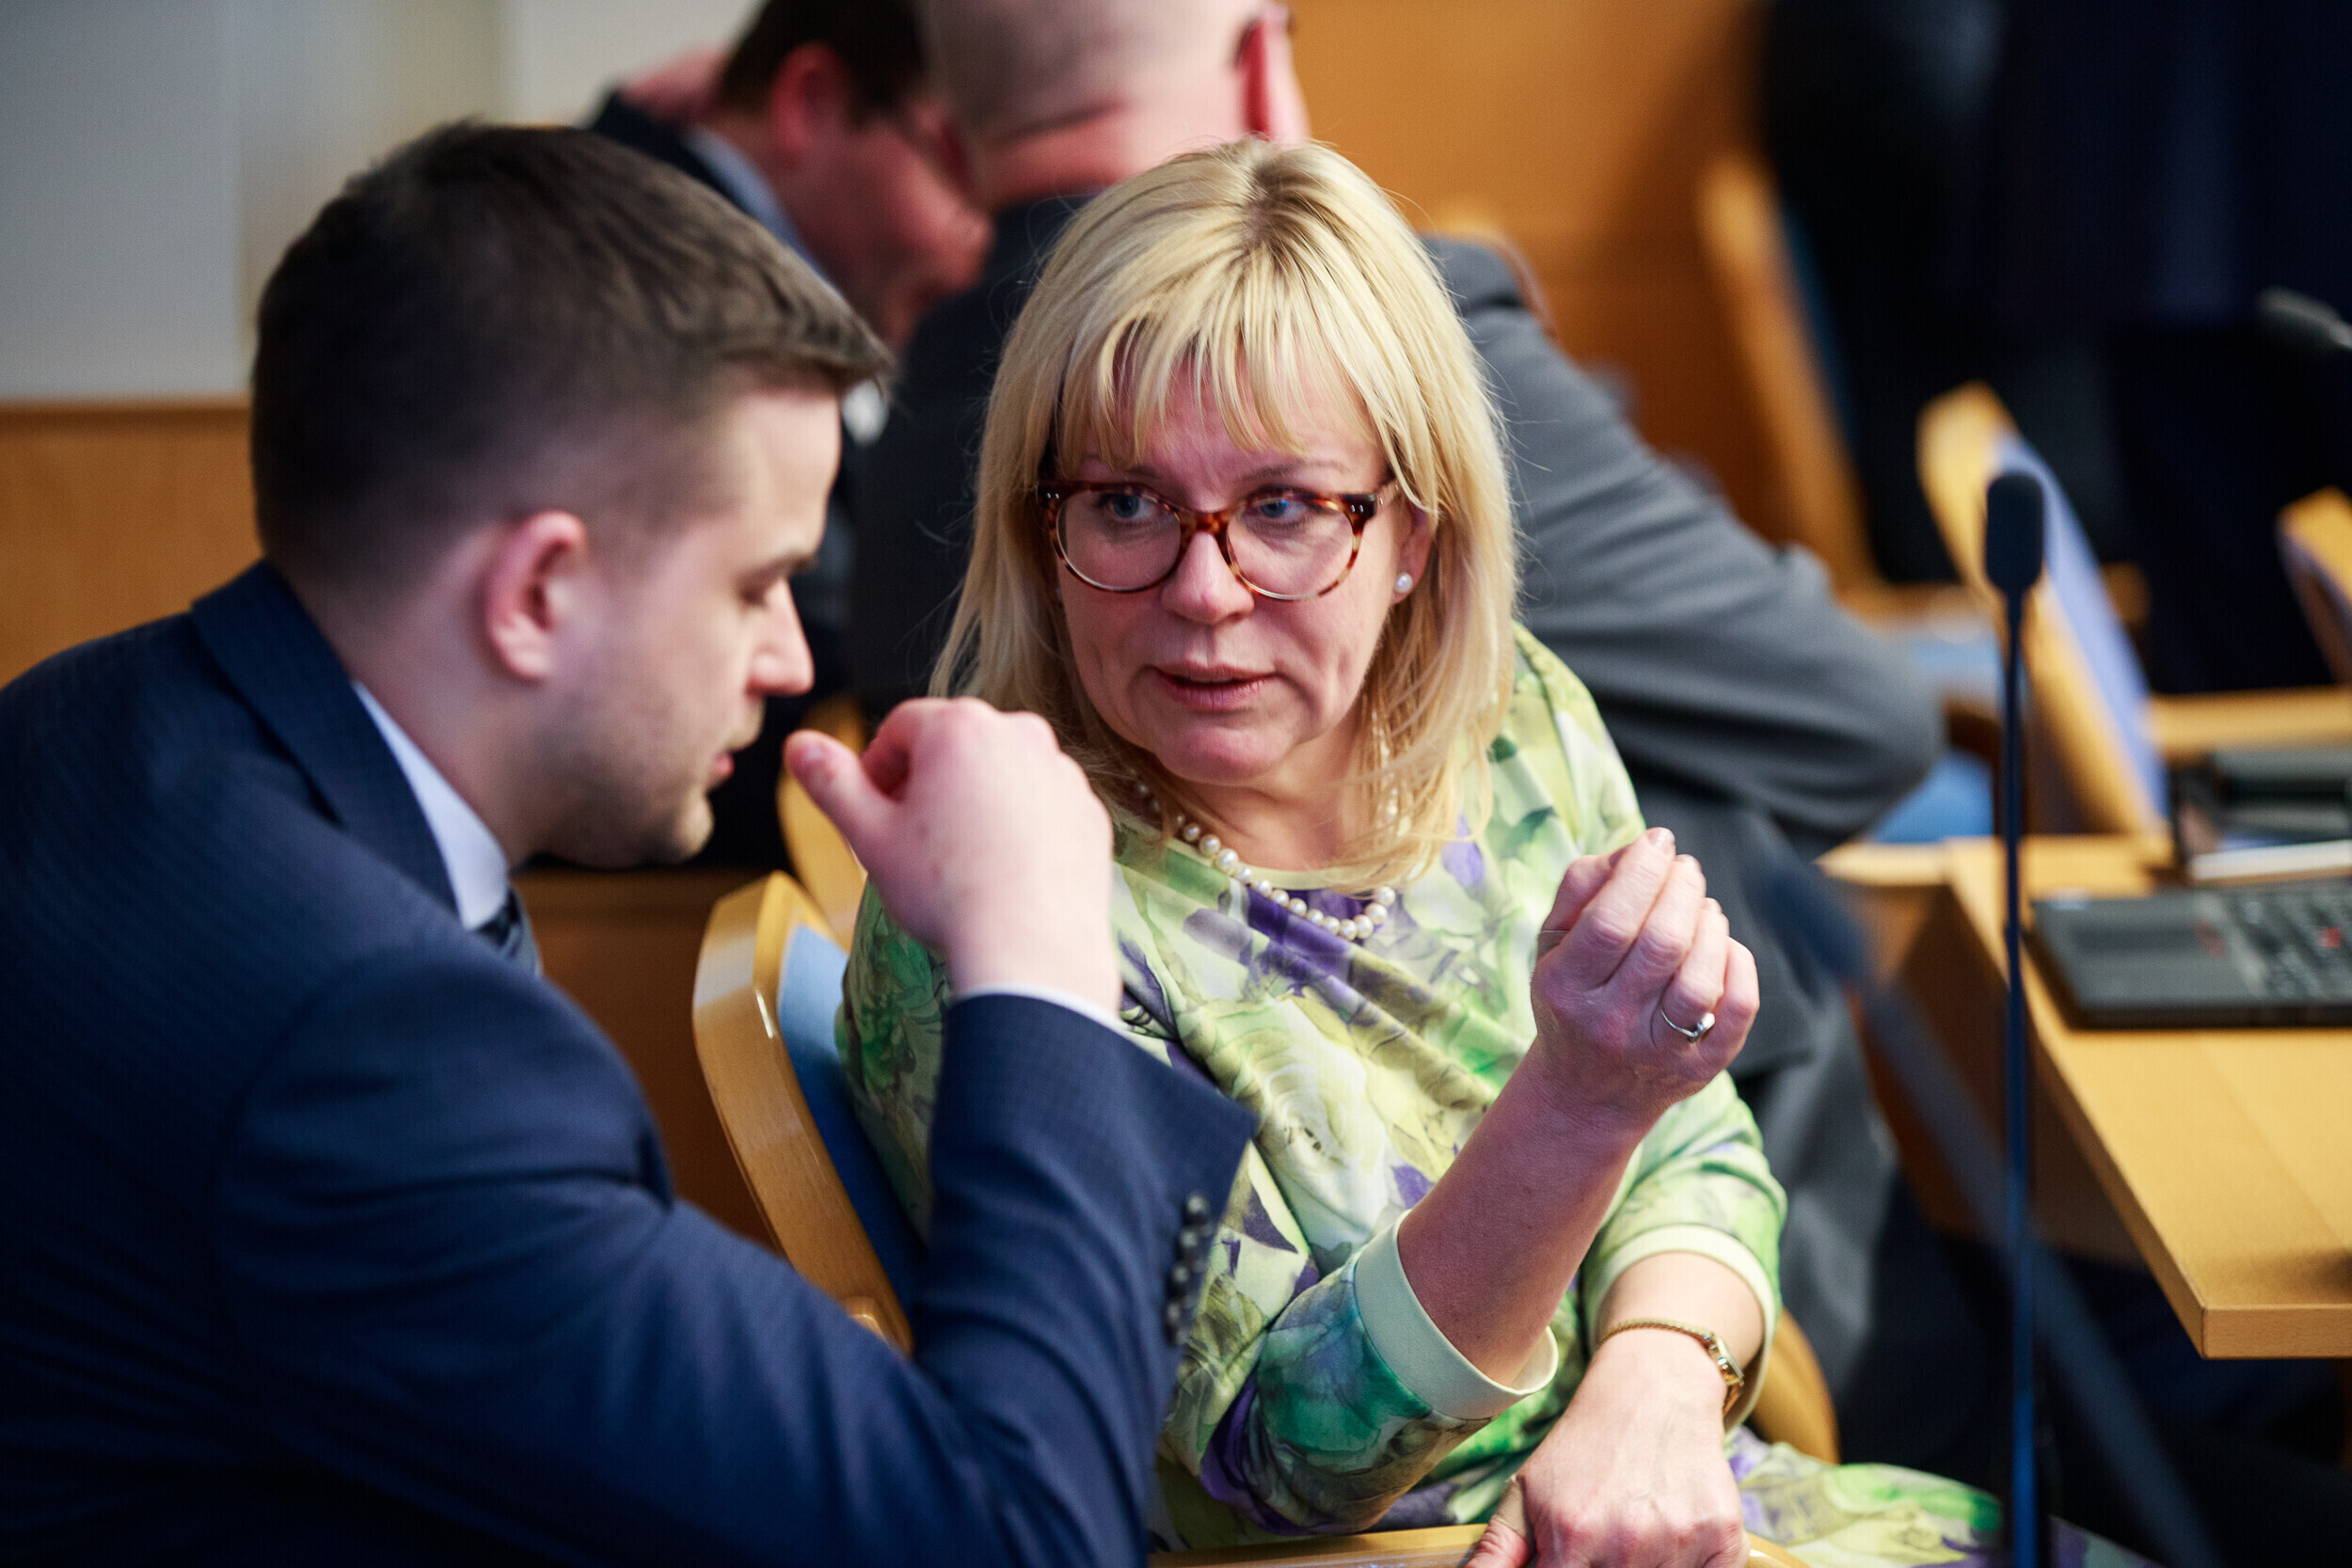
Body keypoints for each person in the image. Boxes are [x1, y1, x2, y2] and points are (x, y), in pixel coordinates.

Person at [840, 139, 2155, 1568]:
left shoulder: (1503, 721)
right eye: (1125, 503)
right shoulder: (998, 894)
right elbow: (1267, 1460)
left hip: (1684, 1487)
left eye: (1281, 507)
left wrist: (1654, 1384)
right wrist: (1576, 1105)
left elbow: (1695, 1133)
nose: (1205, 592)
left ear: (1413, 528)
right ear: (1038, 528)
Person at [0, 123, 1253, 1566]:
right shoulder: (365, 1040)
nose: (790, 657)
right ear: (538, 591)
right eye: (759, 582)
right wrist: (1038, 951)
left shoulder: (87, 716)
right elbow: (1013, 1539)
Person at [589, 0, 990, 864]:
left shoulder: (708, 242)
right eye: (956, 165)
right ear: (809, 102)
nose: (982, 242)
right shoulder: (653, 285)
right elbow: (822, 685)